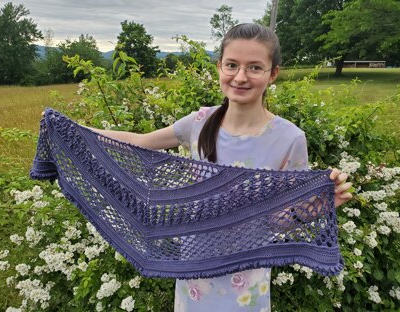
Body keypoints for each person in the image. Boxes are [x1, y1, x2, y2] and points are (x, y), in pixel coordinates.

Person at [53, 23, 352, 311]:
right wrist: (72, 129)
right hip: (195, 267)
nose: (241, 77)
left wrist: (316, 206)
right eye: (232, 65)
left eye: (255, 67)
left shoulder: (289, 139)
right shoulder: (200, 123)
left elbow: (277, 221)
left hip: (247, 275)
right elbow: (140, 142)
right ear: (219, 67)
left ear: (273, 74)